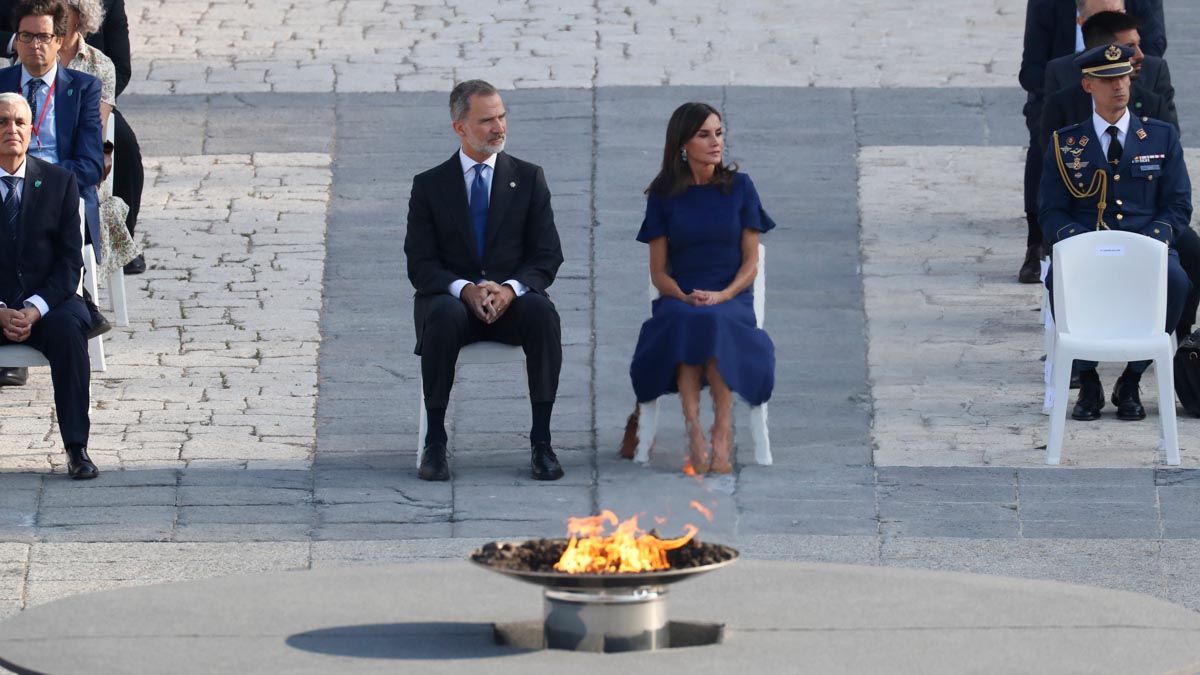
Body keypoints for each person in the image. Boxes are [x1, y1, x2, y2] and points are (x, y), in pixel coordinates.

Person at [404, 79, 565, 483]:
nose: (499, 127)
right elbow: (420, 264)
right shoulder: (429, 185)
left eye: (502, 116)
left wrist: (510, 288)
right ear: (460, 127)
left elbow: (547, 255)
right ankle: (436, 441)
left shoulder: (528, 179)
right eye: (487, 120)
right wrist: (465, 289)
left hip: (511, 301)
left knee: (544, 314)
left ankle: (541, 441)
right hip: (453, 303)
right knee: (439, 314)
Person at [1040, 44, 1192, 422]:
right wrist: (1081, 243)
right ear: (1088, 85)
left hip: (1146, 245)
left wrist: (1151, 241)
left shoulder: (1160, 137)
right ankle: (1088, 377)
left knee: (1176, 281)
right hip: (1086, 247)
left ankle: (1132, 377)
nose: (1119, 86)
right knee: (1060, 279)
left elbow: (1178, 204)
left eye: (1123, 76)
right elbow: (1051, 209)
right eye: (1108, 80)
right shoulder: (1066, 143)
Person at [628, 102, 775, 475]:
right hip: (680, 296)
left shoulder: (740, 188)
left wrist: (723, 295)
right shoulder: (663, 196)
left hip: (731, 296)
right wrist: (683, 294)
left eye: (719, 133)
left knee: (714, 321)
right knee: (687, 319)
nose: (715, 142)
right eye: (704, 134)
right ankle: (694, 429)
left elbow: (750, 262)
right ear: (683, 144)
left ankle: (721, 431)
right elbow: (659, 273)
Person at [1017, 0, 1164, 285]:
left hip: (1129, 83)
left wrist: (1115, 77)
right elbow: (1030, 70)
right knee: (1047, 140)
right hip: (1061, 89)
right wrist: (1075, 80)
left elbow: (1154, 46)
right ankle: (1037, 239)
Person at [0, 0, 105, 388]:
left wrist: (45, 185)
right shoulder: (1, 86)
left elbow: (92, 164)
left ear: (59, 41)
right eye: (26, 37)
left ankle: (40, 319)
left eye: (43, 37)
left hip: (61, 193)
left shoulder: (83, 89)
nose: (34, 46)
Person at [0, 92, 96, 478]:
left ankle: (77, 448)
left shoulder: (59, 183)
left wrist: (33, 308)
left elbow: (70, 262)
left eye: (20, 122)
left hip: (47, 301)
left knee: (70, 330)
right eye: (2, 122)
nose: (11, 129)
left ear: (33, 130)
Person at [58, 0, 138, 280]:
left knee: (123, 144)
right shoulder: (35, 54)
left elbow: (120, 68)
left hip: (81, 148)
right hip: (39, 153)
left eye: (60, 13)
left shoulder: (98, 64)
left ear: (79, 17)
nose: (51, 19)